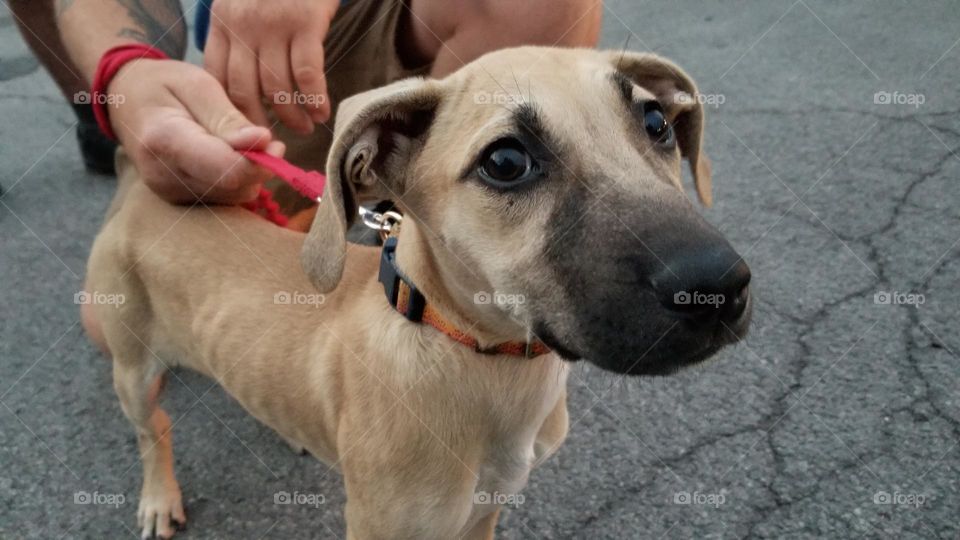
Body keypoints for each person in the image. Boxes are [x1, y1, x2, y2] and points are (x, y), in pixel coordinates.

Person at [11, 0, 601, 203]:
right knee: (119, 317)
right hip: (255, 63)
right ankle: (107, 124)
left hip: (353, 23)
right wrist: (126, 76)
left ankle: (407, 238)